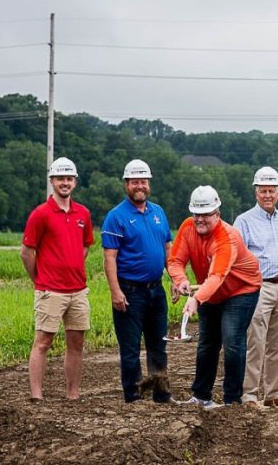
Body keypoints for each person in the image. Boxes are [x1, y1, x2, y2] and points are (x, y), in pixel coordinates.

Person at [167, 185, 262, 408]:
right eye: (196, 214)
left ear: (217, 214)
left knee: (231, 340)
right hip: (210, 290)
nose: (200, 219)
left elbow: (218, 275)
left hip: (241, 289)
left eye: (206, 214)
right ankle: (201, 396)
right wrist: (181, 281)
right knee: (207, 342)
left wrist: (196, 299)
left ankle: (232, 400)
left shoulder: (226, 237)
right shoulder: (187, 228)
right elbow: (175, 261)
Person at [21, 157, 94, 401]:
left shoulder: (83, 212)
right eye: (60, 178)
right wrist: (39, 279)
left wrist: (70, 264)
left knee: (76, 343)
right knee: (43, 342)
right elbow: (27, 252)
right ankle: (37, 396)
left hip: (78, 290)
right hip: (50, 290)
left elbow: (85, 247)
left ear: (75, 182)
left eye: (69, 178)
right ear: (52, 181)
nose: (65, 182)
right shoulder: (40, 214)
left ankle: (73, 395)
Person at [102, 159, 173, 403]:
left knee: (158, 345)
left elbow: (167, 248)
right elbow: (109, 258)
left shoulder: (158, 212)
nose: (139, 186)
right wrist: (115, 291)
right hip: (129, 292)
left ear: (149, 184)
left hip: (156, 290)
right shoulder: (116, 216)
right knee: (131, 350)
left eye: (143, 181)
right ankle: (134, 396)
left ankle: (161, 394)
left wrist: (174, 277)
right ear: (127, 184)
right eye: (134, 182)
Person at [233, 167, 278, 408]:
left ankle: (273, 393)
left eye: (272, 190)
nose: (268, 195)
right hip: (258, 288)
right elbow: (237, 257)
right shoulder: (244, 221)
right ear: (256, 192)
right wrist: (249, 286)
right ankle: (249, 395)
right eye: (263, 191)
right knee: (255, 342)